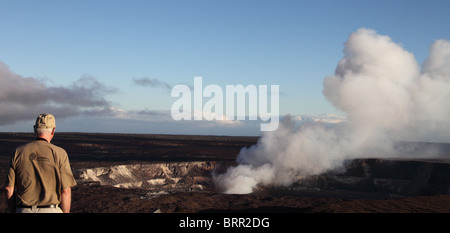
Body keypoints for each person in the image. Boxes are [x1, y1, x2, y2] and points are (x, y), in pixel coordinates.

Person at [4, 113, 77, 213]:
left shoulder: (18, 152)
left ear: (35, 129)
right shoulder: (60, 153)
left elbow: (8, 188)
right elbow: (65, 191)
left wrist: (15, 210)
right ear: (53, 130)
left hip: (23, 209)